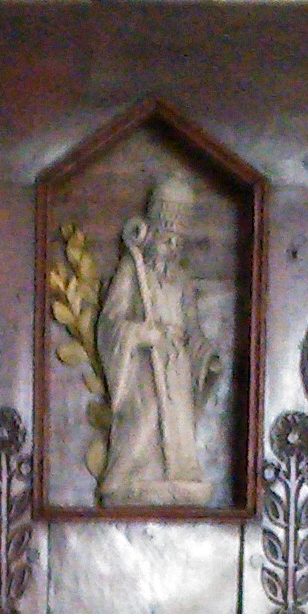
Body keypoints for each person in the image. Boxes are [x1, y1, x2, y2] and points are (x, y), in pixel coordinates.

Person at [93, 176, 217, 506]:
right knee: (145, 417)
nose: (171, 247)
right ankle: (127, 478)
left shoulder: (182, 280)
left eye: (177, 241)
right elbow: (111, 322)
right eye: (166, 239)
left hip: (175, 365)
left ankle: (180, 476)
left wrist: (206, 357)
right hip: (143, 365)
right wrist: (139, 334)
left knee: (177, 424)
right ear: (152, 236)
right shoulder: (133, 272)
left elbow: (192, 329)